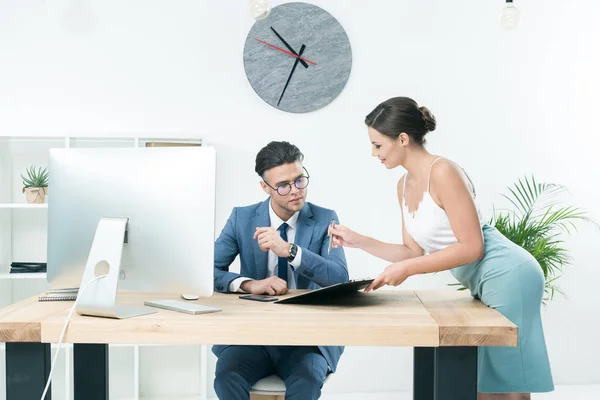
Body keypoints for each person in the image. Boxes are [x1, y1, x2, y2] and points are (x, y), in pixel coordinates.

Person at [329, 97, 554, 400]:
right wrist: (358, 240)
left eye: (378, 145)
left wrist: (406, 270)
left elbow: (472, 247)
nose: (373, 153)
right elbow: (412, 251)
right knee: (491, 380)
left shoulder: (443, 171)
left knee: (501, 382)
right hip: (484, 279)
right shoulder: (403, 185)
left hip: (508, 273)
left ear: (403, 139)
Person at [212, 140, 349, 400]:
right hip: (252, 336)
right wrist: (249, 283)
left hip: (307, 340)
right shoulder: (242, 218)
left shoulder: (324, 218)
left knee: (307, 383)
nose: (295, 191)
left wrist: (290, 251)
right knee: (226, 378)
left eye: (300, 180)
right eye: (283, 186)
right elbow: (207, 270)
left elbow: (340, 278)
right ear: (265, 187)